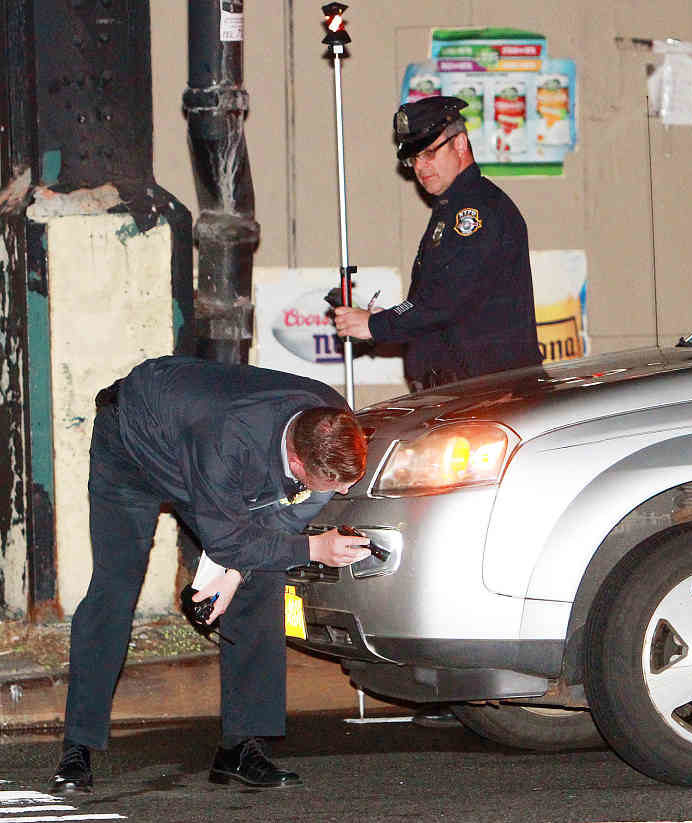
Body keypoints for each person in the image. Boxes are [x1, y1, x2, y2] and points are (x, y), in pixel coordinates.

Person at [50, 355, 373, 794]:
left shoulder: (334, 422)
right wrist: (312, 549)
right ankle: (77, 748)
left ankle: (241, 748)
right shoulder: (226, 441)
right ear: (296, 462)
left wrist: (233, 575)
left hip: (197, 444)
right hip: (132, 444)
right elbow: (231, 541)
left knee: (264, 575)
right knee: (116, 586)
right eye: (334, 484)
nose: (344, 491)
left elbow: (275, 524)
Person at [333, 95, 543, 391]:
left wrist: (376, 325)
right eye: (413, 159)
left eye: (429, 153)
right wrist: (390, 318)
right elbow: (434, 302)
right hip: (469, 393)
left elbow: (447, 300)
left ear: (460, 144)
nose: (421, 167)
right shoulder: (453, 207)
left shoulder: (477, 211)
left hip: (491, 394)